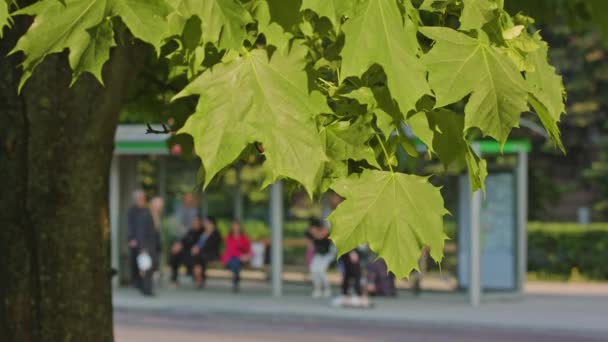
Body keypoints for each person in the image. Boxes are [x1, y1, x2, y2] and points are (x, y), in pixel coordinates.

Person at [127, 190, 157, 296]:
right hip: (140, 242)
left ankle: (145, 287)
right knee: (140, 265)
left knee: (147, 265)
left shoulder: (146, 211)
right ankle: (142, 286)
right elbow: (131, 226)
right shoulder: (133, 211)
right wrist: (131, 239)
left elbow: (152, 229)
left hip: (147, 243)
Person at [168, 215, 203, 287]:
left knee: (195, 258)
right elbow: (183, 241)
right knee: (175, 255)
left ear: (200, 222)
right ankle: (174, 279)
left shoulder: (202, 232)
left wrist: (197, 248)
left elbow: (203, 244)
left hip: (196, 253)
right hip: (186, 252)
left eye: (196, 221)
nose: (194, 223)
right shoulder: (190, 231)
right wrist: (178, 245)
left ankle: (198, 279)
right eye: (193, 221)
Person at [306, 218, 334, 298]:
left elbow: (322, 235)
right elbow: (310, 246)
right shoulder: (310, 234)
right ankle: (317, 289)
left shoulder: (325, 231)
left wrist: (315, 234)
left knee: (321, 271)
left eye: (313, 228)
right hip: (318, 254)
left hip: (328, 254)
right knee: (313, 270)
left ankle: (327, 289)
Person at [191, 217, 222, 288]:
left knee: (198, 257)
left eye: (206, 222)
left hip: (211, 253)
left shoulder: (216, 234)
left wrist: (199, 249)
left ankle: (199, 278)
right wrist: (195, 248)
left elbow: (212, 246)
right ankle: (199, 277)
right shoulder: (202, 232)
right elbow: (196, 241)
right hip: (199, 253)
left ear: (212, 223)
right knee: (196, 256)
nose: (204, 224)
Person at [221, 221, 251, 293]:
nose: (235, 228)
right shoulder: (228, 238)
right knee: (235, 261)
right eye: (234, 226)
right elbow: (231, 250)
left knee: (236, 262)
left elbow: (249, 249)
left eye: (237, 226)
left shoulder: (244, 237)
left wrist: (247, 256)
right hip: (229, 258)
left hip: (241, 260)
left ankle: (235, 279)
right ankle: (236, 280)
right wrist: (240, 256)